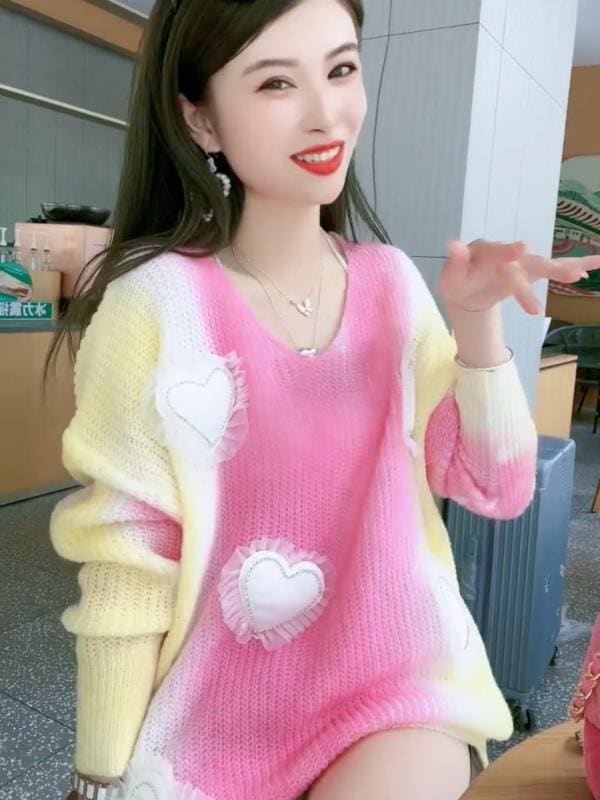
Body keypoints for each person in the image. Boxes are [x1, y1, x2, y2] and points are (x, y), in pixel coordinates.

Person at [48, 1, 600, 799]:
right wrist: (99, 773)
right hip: (219, 723)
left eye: (341, 69)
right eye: (276, 83)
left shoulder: (390, 286)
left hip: (397, 687)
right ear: (200, 118)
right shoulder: (156, 306)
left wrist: (478, 324)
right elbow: (130, 560)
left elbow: (497, 485)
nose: (326, 113)